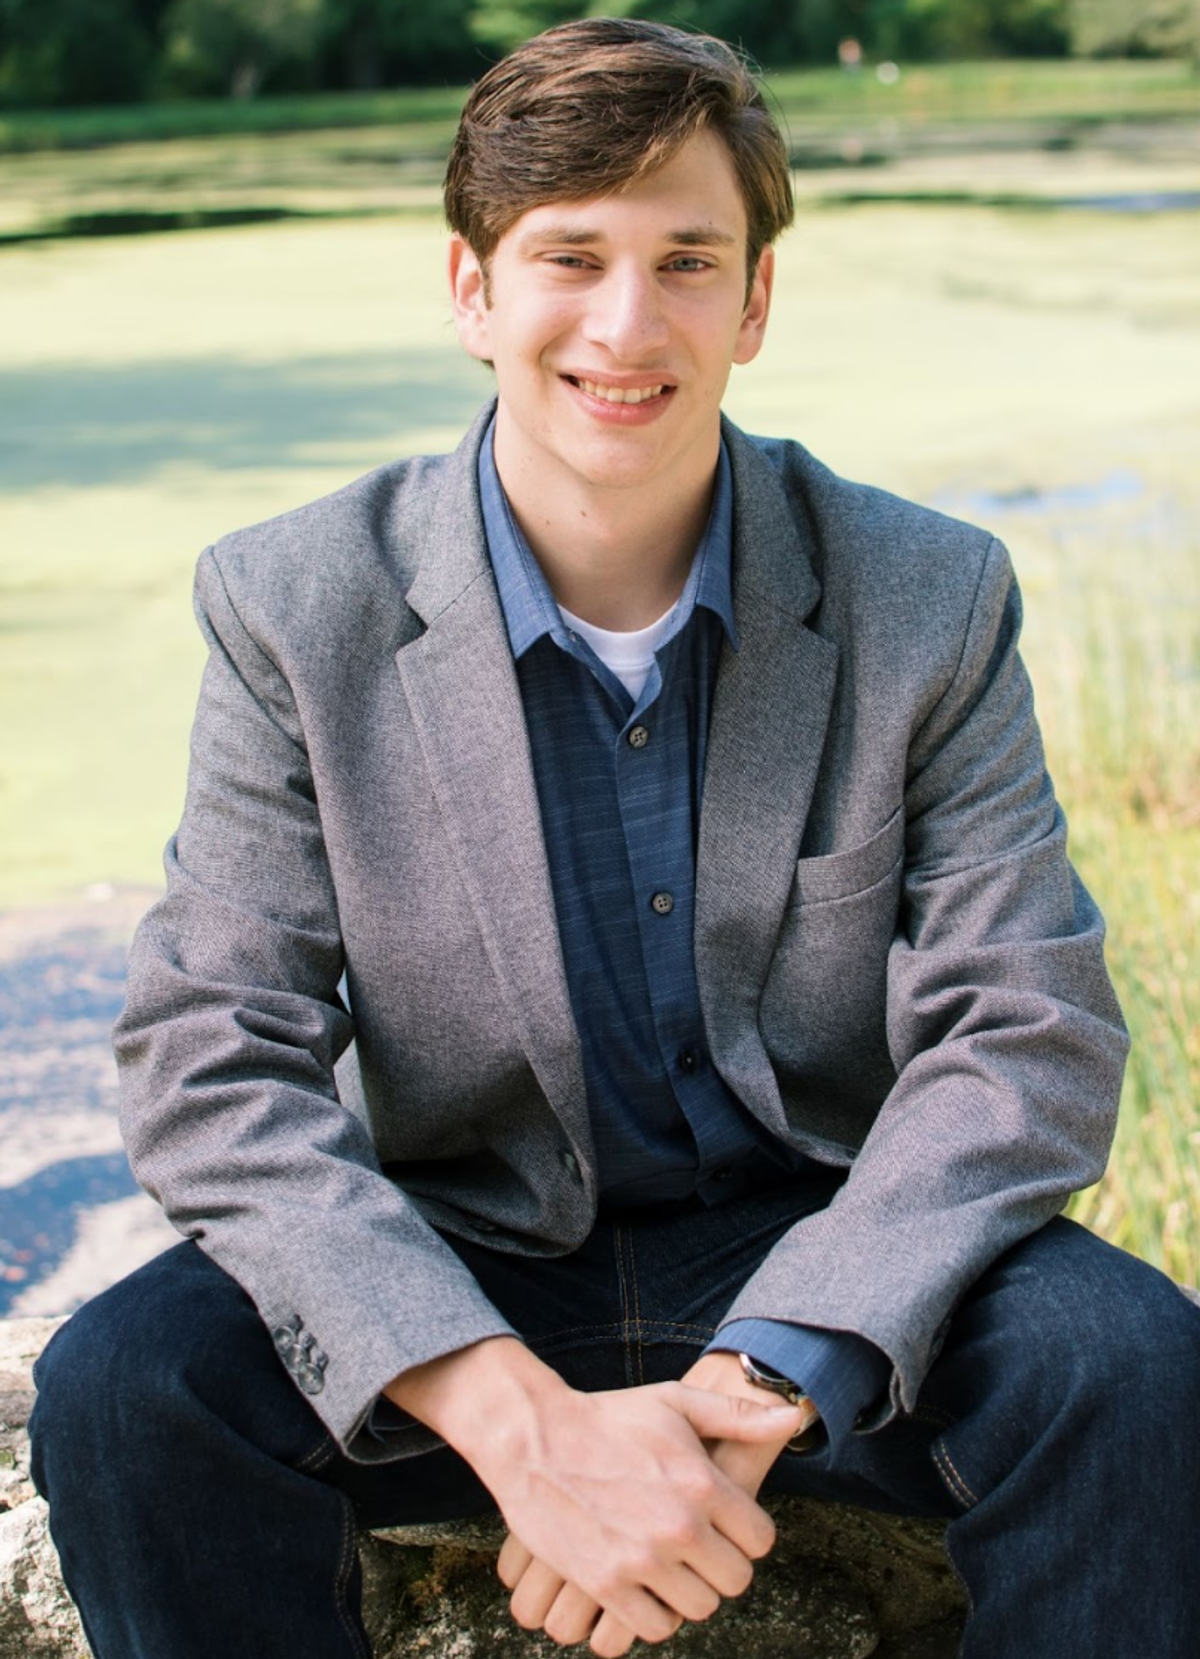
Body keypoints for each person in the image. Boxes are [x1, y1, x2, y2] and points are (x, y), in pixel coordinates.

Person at [29, 16, 1200, 1659]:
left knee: (1133, 1367)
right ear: (472, 291)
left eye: (688, 259)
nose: (627, 323)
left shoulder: (927, 596)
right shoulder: (293, 604)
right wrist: (525, 1428)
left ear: (757, 300)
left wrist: (755, 1384)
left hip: (825, 1239)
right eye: (569, 255)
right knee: (126, 1389)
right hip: (464, 1250)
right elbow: (214, 1058)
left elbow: (1027, 1031)